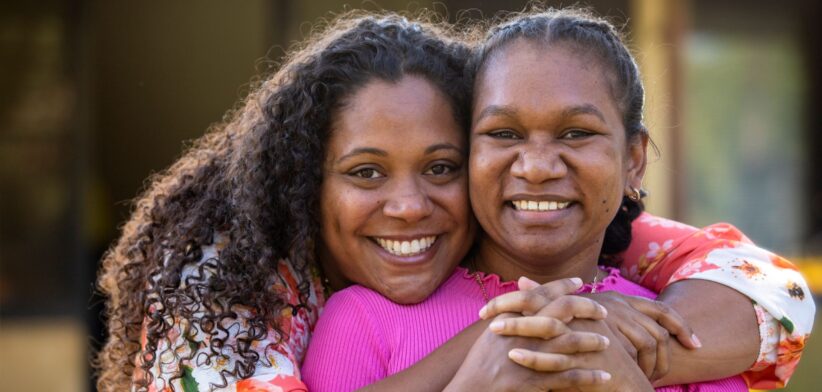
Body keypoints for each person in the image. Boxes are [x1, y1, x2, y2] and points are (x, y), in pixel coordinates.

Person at [95, 10, 814, 392]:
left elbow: (775, 293)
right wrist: (510, 342)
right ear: (301, 184)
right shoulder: (232, 292)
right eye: (366, 173)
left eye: (440, 167)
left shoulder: (608, 253)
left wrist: (593, 339)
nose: (409, 207)